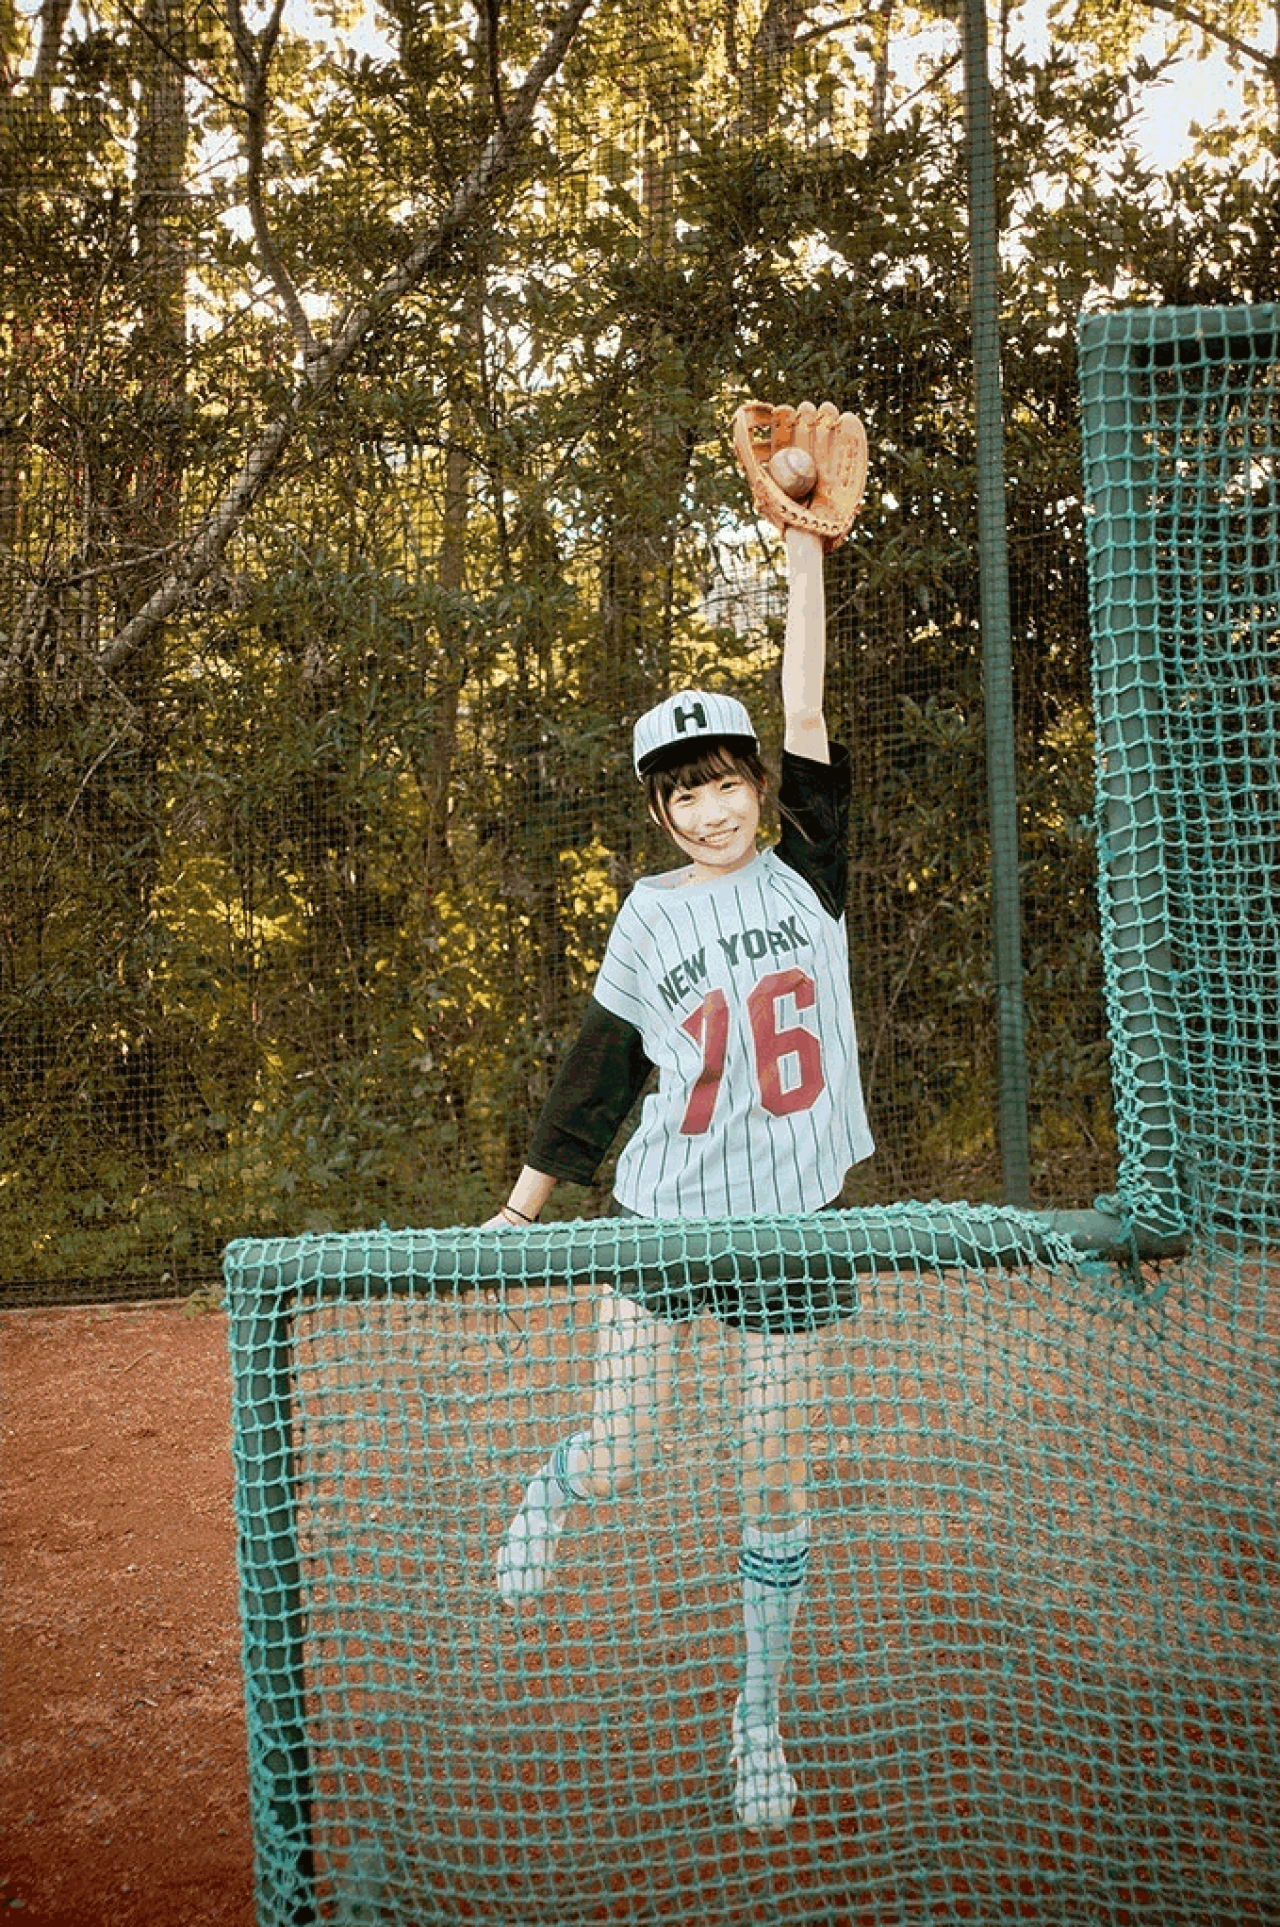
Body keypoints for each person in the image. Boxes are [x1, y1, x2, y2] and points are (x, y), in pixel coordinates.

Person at [486, 520, 873, 1832]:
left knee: (776, 1474)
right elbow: (599, 1067)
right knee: (628, 1443)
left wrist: (810, 552)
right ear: (660, 810)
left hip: (795, 1218)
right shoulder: (652, 913)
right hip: (660, 1213)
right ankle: (556, 1482)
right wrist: (524, 1203)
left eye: (727, 782)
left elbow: (809, 698)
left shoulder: (810, 876)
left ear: (759, 789)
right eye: (683, 791)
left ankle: (756, 1720)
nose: (710, 807)